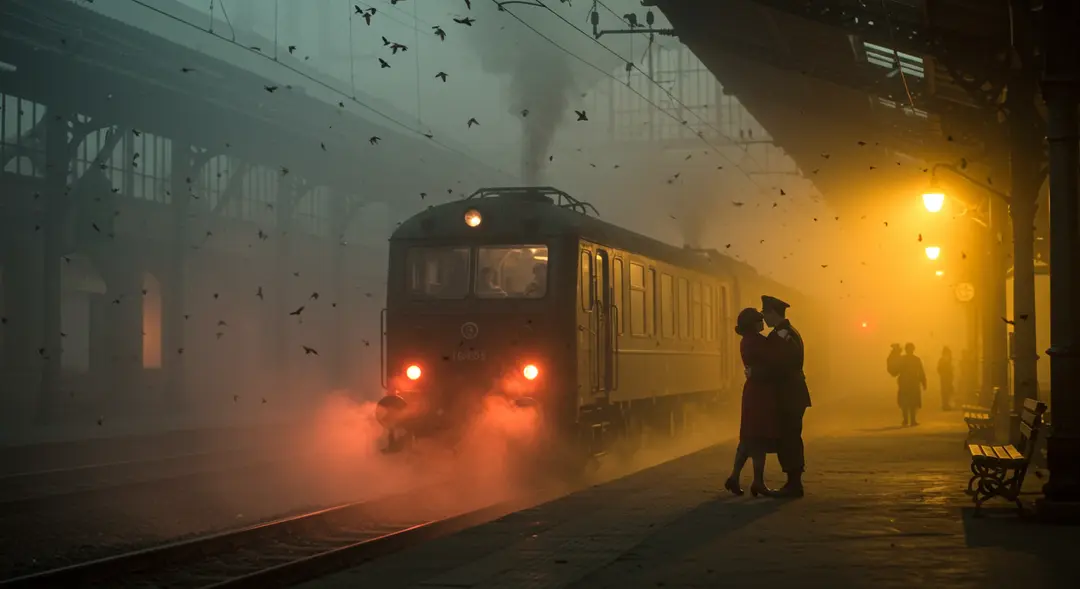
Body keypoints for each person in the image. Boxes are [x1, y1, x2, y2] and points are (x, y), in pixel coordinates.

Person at [725, 308, 780, 498]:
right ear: (753, 323)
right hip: (760, 393)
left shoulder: (747, 341)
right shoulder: (757, 342)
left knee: (749, 437)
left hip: (753, 391)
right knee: (759, 437)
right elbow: (773, 361)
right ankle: (757, 482)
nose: (762, 322)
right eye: (759, 319)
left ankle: (736, 477)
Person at [761, 294, 811, 498]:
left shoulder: (784, 335)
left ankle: (794, 483)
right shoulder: (787, 333)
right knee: (788, 437)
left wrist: (759, 374)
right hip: (790, 394)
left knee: (789, 438)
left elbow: (782, 365)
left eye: (765, 313)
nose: (764, 318)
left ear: (773, 313)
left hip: (789, 394)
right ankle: (792, 481)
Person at [896, 342, 926, 426]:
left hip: (905, 384)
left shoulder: (902, 359)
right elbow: (921, 372)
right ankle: (912, 420)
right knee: (912, 403)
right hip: (912, 384)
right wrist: (923, 382)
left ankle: (906, 420)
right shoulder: (916, 359)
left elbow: (895, 370)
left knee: (906, 403)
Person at [937, 346, 955, 411]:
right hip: (945, 378)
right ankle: (945, 404)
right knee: (945, 391)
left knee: (947, 391)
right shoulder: (942, 360)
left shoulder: (947, 360)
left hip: (948, 378)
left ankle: (946, 404)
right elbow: (939, 369)